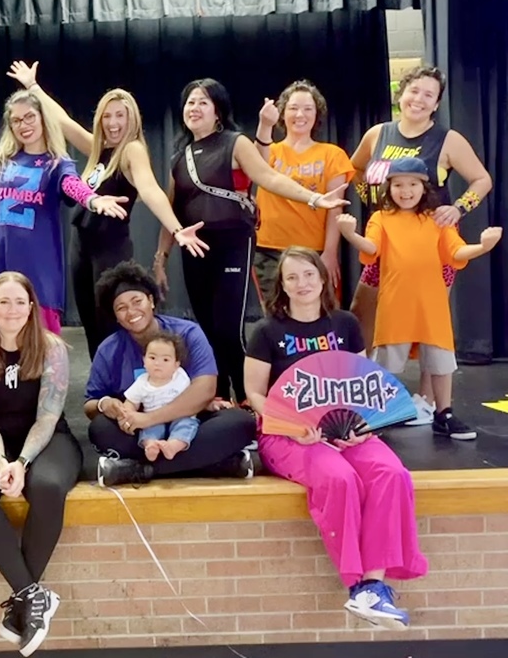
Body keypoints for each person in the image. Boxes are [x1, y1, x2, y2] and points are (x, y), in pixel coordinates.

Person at [244, 246, 427, 629]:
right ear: (282, 284)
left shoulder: (344, 324)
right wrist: (297, 428)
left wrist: (359, 425)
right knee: (339, 478)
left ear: (323, 278)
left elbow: (361, 380)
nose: (302, 283)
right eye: (291, 277)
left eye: (309, 275)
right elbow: (256, 395)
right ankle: (358, 586)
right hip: (289, 433)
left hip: (345, 428)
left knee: (392, 473)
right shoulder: (266, 331)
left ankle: (374, 587)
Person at [162, 78, 348, 405]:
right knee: (205, 328)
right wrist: (160, 257)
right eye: (190, 102)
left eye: (203, 102)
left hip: (233, 242)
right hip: (194, 249)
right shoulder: (180, 157)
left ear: (218, 110)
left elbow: (270, 178)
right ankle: (216, 397)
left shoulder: (235, 143)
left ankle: (250, 399)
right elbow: (170, 207)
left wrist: (315, 200)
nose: (195, 108)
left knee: (228, 328)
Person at [6, 61, 207, 357]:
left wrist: (177, 230)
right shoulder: (100, 150)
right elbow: (63, 121)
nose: (113, 123)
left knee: (110, 322)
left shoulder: (131, 150)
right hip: (82, 244)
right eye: (107, 116)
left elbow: (151, 190)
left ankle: (123, 385)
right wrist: (33, 87)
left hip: (109, 247)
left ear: (132, 120)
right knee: (90, 320)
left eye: (120, 116)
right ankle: (101, 387)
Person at [349, 64, 493, 423]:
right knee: (361, 311)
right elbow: (354, 170)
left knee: (429, 324)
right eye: (414, 90)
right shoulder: (377, 134)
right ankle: (358, 388)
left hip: (429, 246)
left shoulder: (447, 139)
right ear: (402, 93)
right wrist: (374, 200)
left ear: (436, 103)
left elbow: (481, 180)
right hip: (384, 240)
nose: (419, 98)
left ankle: (428, 403)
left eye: (429, 94)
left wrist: (458, 209)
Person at [0, 272, 81, 656]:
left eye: (20, 302)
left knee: (45, 486)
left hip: (46, 440)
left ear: (32, 308)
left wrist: (22, 462)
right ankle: (31, 594)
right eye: (4, 302)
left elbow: (47, 417)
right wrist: (0, 460)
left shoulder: (52, 348)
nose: (12, 310)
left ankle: (23, 604)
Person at [337, 157, 502, 441]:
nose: (406, 191)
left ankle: (444, 413)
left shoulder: (437, 219)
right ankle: (377, 413)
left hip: (432, 304)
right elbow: (372, 248)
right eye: (398, 185)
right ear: (389, 189)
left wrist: (482, 247)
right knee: (387, 361)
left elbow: (455, 253)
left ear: (424, 188)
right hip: (395, 303)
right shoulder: (381, 219)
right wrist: (350, 234)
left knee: (440, 360)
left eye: (412, 184)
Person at [0, 89, 129, 334]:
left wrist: (92, 200)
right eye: (16, 120)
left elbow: (72, 185)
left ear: (43, 118)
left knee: (43, 350)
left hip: (38, 268)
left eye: (29, 117)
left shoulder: (57, 162)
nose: (23, 125)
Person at [84, 261, 257, 487]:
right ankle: (213, 463)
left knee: (240, 421)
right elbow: (90, 405)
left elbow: (205, 390)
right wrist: (104, 405)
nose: (131, 312)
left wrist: (149, 418)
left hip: (189, 423)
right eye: (121, 307)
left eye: (137, 301)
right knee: (100, 429)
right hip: (142, 434)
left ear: (152, 301)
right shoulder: (109, 349)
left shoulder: (187, 333)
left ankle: (137, 470)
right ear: (115, 316)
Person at [252, 80, 355, 297]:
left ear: (317, 115)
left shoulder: (332, 154)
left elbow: (335, 209)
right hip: (269, 249)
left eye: (308, 109)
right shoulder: (270, 150)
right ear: (282, 113)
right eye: (293, 108)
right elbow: (256, 168)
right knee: (274, 315)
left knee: (314, 314)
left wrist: (329, 252)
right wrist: (265, 125)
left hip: (312, 250)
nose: (300, 115)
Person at [122, 331, 199, 462]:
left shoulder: (181, 377)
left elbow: (193, 396)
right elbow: (131, 402)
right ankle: (151, 445)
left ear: (176, 364)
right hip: (153, 419)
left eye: (165, 359)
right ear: (144, 360)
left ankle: (174, 445)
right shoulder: (142, 383)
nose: (158, 363)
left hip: (180, 415)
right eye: (152, 358)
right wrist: (127, 414)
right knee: (148, 430)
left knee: (187, 424)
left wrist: (211, 404)